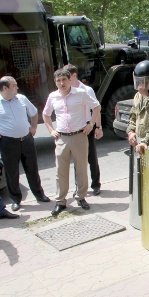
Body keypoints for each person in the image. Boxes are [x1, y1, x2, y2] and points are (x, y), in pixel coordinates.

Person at [42, 69, 101, 216]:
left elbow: (96, 107)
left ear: (70, 80)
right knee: (60, 171)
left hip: (79, 136)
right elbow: (45, 114)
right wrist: (51, 130)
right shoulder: (53, 97)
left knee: (81, 169)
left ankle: (81, 197)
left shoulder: (80, 93)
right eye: (58, 80)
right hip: (61, 138)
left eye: (64, 80)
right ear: (55, 82)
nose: (61, 83)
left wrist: (91, 124)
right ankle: (60, 201)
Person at [0, 76, 50, 211]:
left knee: (32, 169)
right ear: (5, 88)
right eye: (14, 85)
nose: (17, 87)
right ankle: (16, 200)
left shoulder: (21, 99)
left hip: (26, 139)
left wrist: (34, 127)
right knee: (12, 172)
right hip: (8, 142)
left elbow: (34, 113)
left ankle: (39, 194)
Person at [63, 64, 103, 196]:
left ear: (73, 75)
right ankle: (78, 188)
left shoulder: (87, 90)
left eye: (67, 77)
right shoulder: (65, 91)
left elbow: (96, 109)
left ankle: (95, 184)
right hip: (74, 128)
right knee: (77, 160)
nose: (64, 81)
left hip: (87, 126)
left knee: (92, 157)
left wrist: (97, 127)